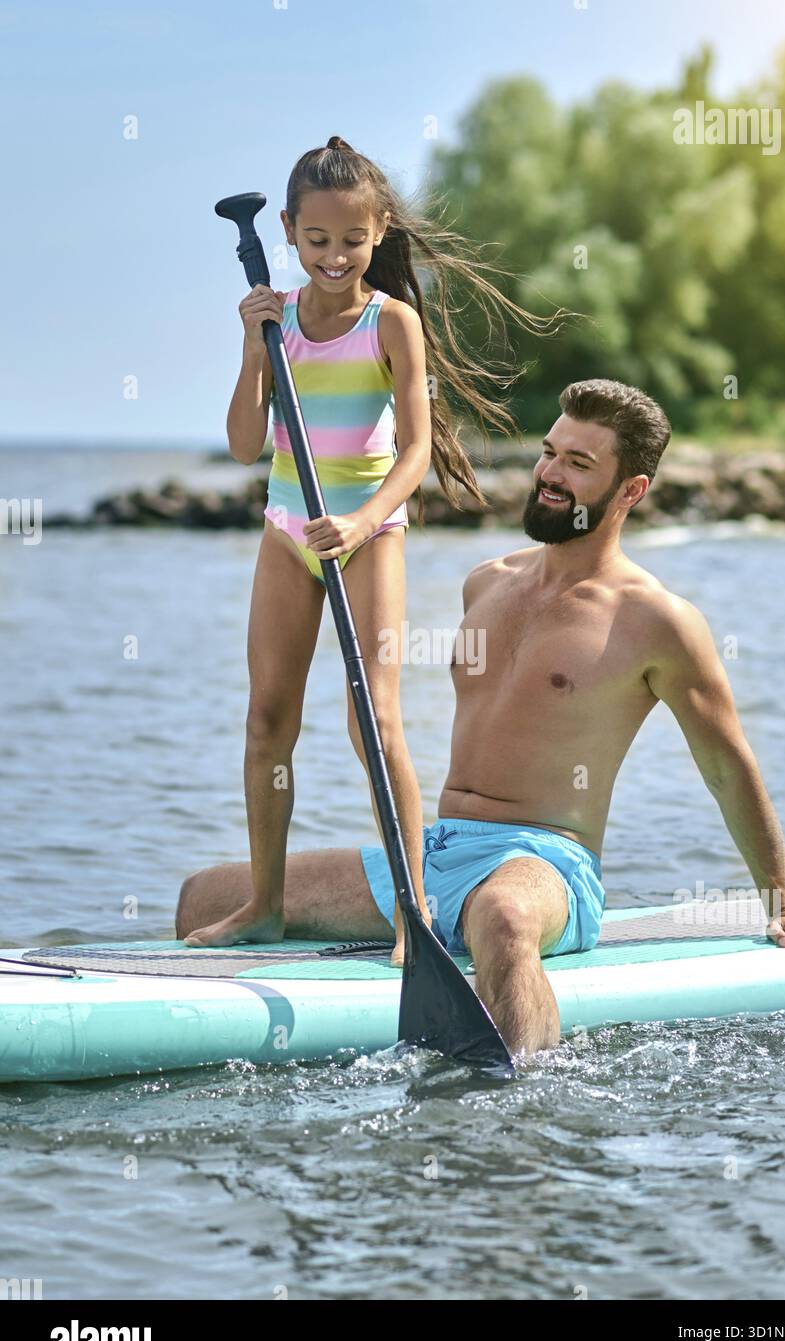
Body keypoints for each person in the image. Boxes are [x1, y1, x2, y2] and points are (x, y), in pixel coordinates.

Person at [177, 378, 785, 1055]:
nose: (550, 474)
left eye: (578, 463)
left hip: (543, 863)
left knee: (502, 918)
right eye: (549, 452)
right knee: (206, 897)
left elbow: (726, 766)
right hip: (433, 853)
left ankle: (521, 1113)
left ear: (631, 491)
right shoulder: (488, 581)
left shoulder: (656, 620)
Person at [186, 135, 569, 964]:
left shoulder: (390, 322)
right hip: (287, 532)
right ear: (286, 231)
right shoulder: (276, 319)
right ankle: (264, 906)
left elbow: (418, 451)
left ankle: (413, 911)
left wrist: (360, 526)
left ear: (380, 231)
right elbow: (247, 446)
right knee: (266, 722)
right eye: (316, 240)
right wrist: (255, 349)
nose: (334, 256)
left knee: (375, 718)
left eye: (352, 241)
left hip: (367, 535)